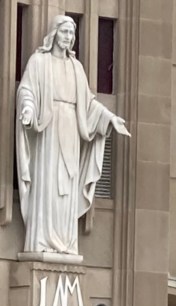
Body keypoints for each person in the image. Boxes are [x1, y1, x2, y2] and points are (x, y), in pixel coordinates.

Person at [16, 15, 131, 255]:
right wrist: (28, 109)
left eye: (71, 33)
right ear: (54, 33)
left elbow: (88, 103)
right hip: (48, 128)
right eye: (64, 32)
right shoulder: (39, 62)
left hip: (70, 130)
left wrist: (109, 118)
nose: (68, 37)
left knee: (67, 185)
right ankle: (43, 240)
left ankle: (65, 241)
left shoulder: (76, 67)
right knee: (47, 183)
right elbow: (26, 90)